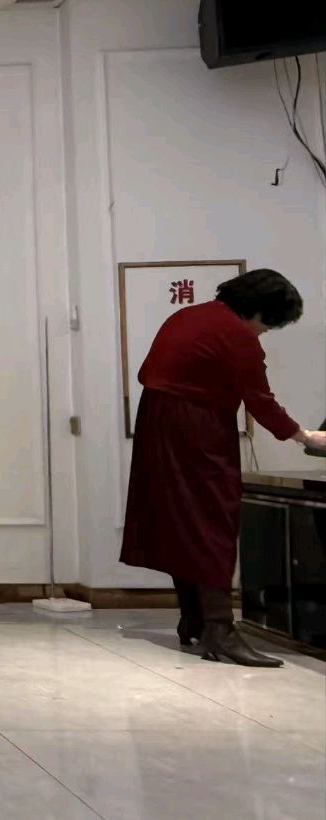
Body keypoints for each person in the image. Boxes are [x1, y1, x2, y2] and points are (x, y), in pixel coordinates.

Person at [122, 269, 326, 667]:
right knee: (212, 520)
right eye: (269, 324)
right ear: (258, 310)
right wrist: (303, 436)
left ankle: (194, 621)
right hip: (197, 428)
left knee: (181, 522)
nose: (265, 332)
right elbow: (260, 400)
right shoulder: (235, 334)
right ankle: (219, 631)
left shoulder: (187, 316)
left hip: (156, 424)